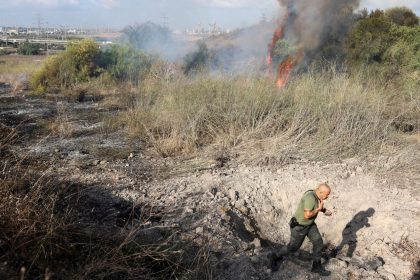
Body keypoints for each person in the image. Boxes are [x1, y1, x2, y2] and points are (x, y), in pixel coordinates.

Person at [268, 183, 333, 276]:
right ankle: (275, 256)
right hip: (300, 226)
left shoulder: (317, 195)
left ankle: (316, 267)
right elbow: (307, 215)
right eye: (327, 194)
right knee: (293, 247)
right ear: (321, 192)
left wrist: (324, 210)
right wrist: (318, 210)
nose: (328, 196)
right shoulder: (310, 197)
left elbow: (316, 206)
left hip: (310, 225)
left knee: (318, 242)